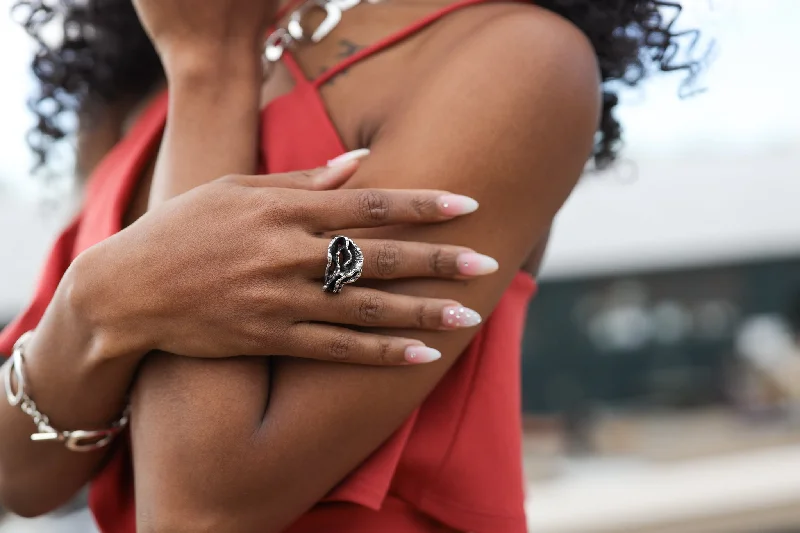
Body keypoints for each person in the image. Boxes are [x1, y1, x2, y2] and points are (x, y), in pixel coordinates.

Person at [0, 0, 700, 531]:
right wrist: (97, 301)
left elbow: (198, 514)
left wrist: (210, 75)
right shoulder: (140, 86)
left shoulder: (510, 55)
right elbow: (22, 476)